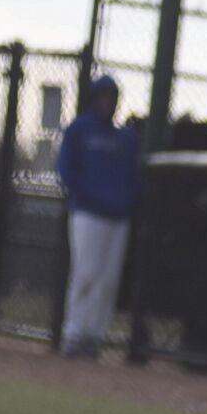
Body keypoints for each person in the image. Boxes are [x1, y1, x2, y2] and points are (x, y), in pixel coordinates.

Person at [55, 74, 140, 358]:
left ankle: (94, 336)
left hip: (117, 217)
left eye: (112, 97)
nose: (107, 102)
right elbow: (66, 169)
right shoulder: (80, 130)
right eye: (103, 96)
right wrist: (88, 195)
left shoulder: (125, 137)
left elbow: (134, 177)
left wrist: (124, 202)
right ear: (93, 98)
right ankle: (74, 333)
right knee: (86, 273)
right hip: (88, 214)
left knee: (108, 280)